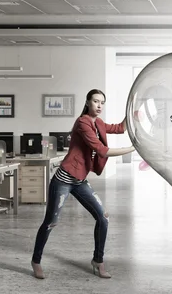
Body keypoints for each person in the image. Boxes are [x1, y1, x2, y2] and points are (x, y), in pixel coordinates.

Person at [31, 89, 135, 279]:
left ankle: (98, 260)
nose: (99, 105)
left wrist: (131, 113)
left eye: (102, 102)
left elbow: (120, 128)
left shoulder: (99, 123)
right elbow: (100, 150)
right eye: (96, 101)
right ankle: (36, 261)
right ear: (88, 102)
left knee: (103, 218)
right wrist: (132, 149)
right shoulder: (82, 122)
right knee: (51, 221)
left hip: (79, 181)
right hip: (63, 179)